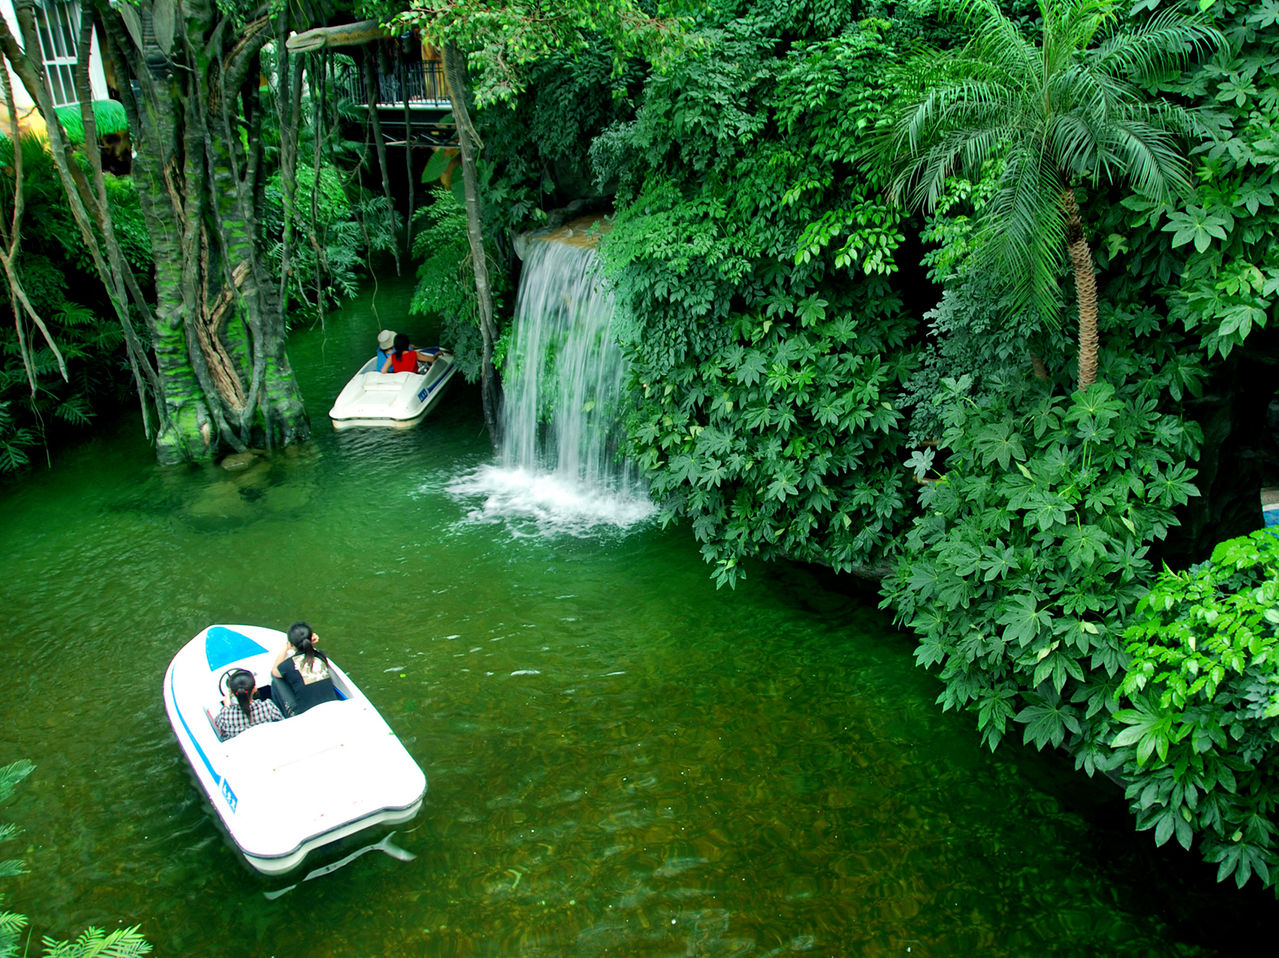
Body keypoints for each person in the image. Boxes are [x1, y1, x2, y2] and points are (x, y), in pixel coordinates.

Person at [270, 621, 339, 716]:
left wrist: (285, 648)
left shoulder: (287, 665)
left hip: (306, 715)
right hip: (332, 708)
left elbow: (275, 671)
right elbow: (309, 650)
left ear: (291, 644)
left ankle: (286, 715)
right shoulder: (321, 656)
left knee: (275, 678)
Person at [214, 669, 283, 740]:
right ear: (254, 688)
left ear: (231, 691)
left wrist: (226, 707)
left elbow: (217, 729)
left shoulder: (225, 716)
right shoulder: (268, 707)